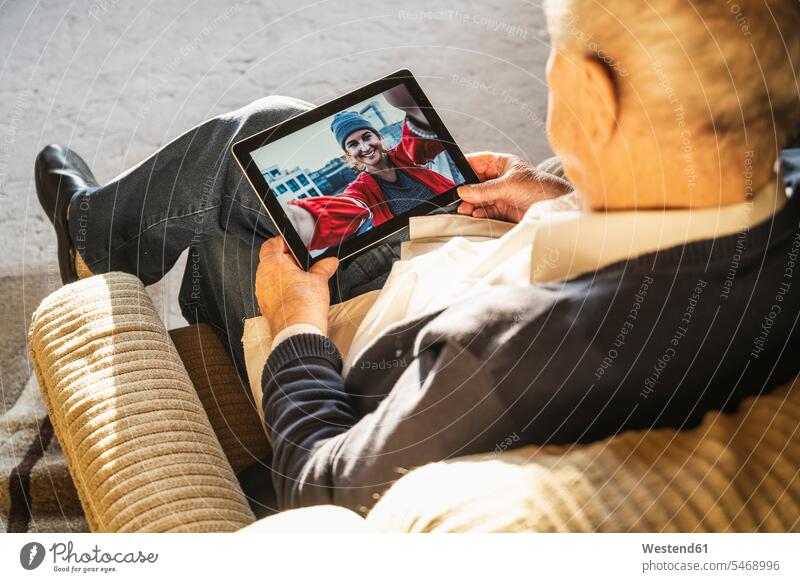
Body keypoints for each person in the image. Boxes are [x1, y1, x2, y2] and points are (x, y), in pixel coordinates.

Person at [36, 0, 800, 515]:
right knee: (269, 148)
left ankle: (95, 241)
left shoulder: (505, 356)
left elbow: (324, 482)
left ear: (587, 95)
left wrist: (296, 328)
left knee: (243, 166)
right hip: (483, 263)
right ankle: (138, 259)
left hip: (374, 359)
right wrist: (565, 195)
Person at [284, 87, 456, 251]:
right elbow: (350, 206)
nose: (365, 147)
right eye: (353, 144)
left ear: (378, 137)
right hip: (423, 247)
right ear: (349, 154)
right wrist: (307, 219)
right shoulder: (361, 190)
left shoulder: (405, 155)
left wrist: (413, 108)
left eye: (367, 137)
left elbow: (418, 143)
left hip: (459, 218)